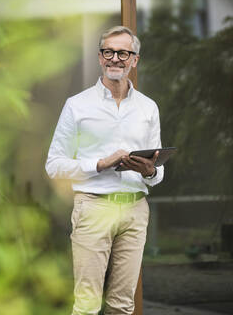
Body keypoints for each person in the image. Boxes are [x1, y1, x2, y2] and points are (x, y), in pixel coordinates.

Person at [45, 26, 164, 315]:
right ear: (100, 58)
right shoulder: (77, 105)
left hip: (135, 210)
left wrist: (149, 171)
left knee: (123, 305)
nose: (115, 58)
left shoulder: (148, 108)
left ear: (134, 60)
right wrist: (99, 164)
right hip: (93, 207)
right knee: (87, 305)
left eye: (123, 53)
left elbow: (158, 172)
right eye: (108, 52)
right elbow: (54, 165)